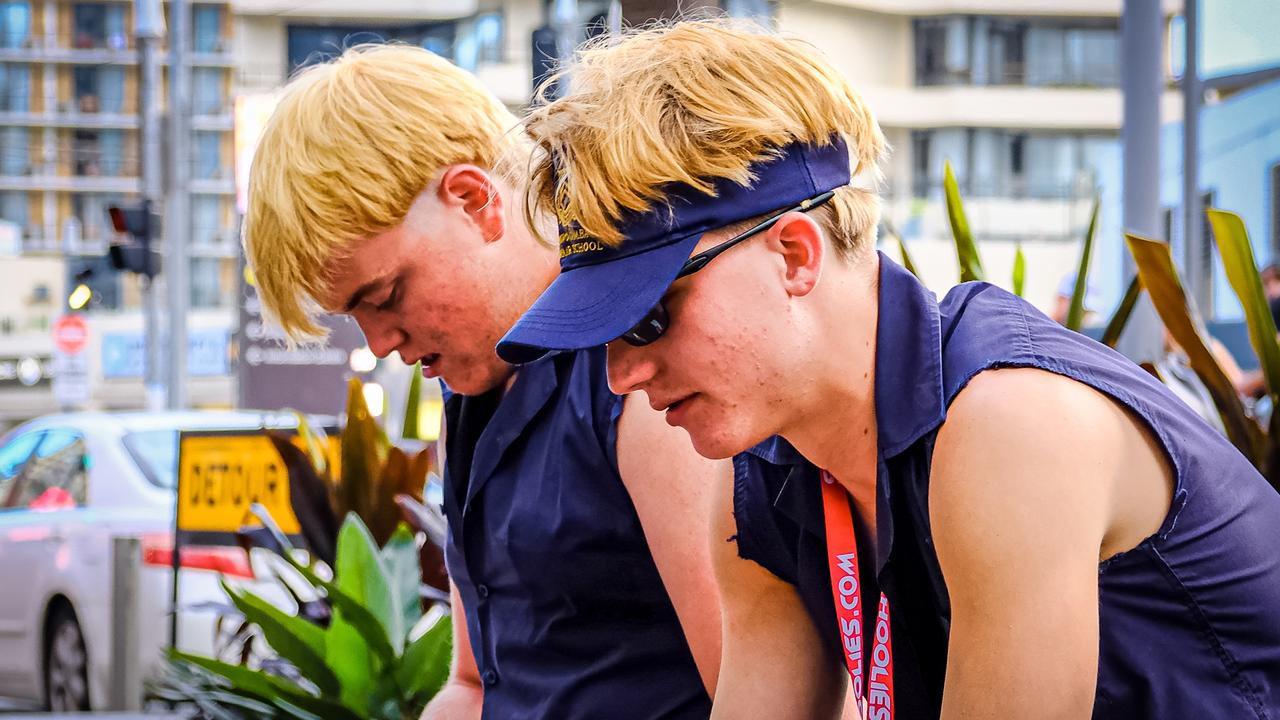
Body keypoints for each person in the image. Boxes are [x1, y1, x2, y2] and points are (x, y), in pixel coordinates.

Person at [497, 20, 1280, 719]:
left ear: (795, 255)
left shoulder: (1009, 420)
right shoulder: (759, 478)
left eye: (647, 320)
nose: (621, 376)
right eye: (601, 338)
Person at [243, 44, 723, 719]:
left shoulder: (636, 372)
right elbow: (473, 684)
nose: (381, 342)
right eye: (354, 316)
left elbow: (751, 688)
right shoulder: (473, 385)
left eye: (385, 297)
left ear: (474, 201)